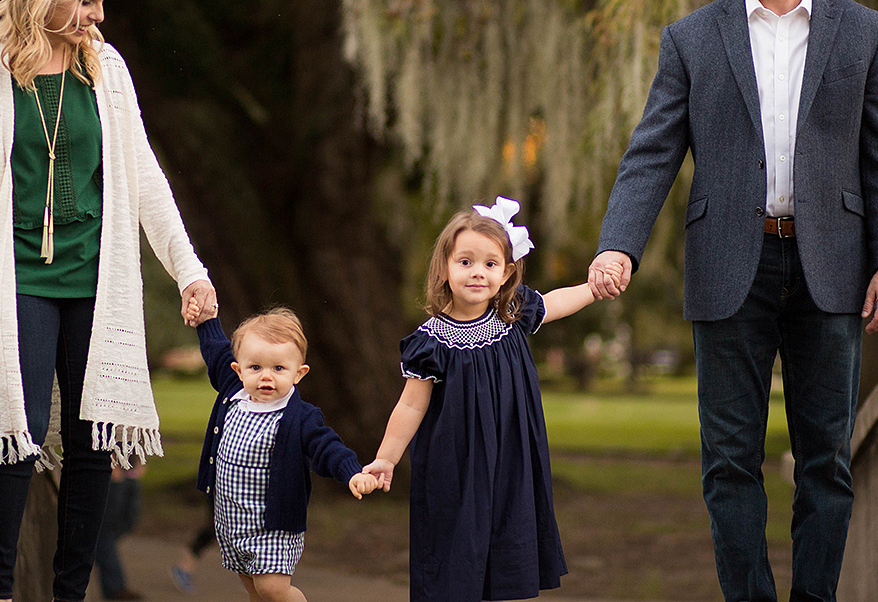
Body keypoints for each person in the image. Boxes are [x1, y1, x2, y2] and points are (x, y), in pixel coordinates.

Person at [587, 0, 878, 601]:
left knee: (826, 459)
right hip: (729, 264)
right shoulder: (692, 38)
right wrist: (619, 245)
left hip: (832, 264)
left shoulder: (865, 34)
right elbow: (652, 152)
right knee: (729, 462)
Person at [0, 0, 218, 602]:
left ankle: (70, 593)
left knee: (95, 443)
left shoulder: (106, 68)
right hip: (19, 285)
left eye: (101, 4)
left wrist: (191, 270)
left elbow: (145, 177)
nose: (97, 17)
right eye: (88, 1)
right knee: (19, 432)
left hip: (97, 279)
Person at [364, 197, 619, 602]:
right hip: (456, 464)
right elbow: (411, 404)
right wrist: (386, 457)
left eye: (489, 264)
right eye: (465, 262)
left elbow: (554, 303)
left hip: (510, 457)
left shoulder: (512, 314)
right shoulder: (430, 341)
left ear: (506, 273)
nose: (477, 273)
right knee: (456, 553)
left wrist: (592, 288)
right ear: (444, 269)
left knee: (505, 546)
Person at [187, 302, 381, 602]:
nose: (266, 376)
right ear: (237, 370)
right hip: (232, 520)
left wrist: (352, 472)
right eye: (255, 367)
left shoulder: (300, 417)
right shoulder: (232, 391)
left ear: (298, 373)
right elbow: (215, 348)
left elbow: (327, 446)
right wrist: (206, 320)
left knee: (272, 589)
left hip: (273, 524)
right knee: (253, 587)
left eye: (278, 368)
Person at [94, 463, 144, 600]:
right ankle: (115, 588)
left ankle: (115, 586)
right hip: (114, 475)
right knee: (106, 532)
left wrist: (140, 463)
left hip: (130, 474)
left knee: (127, 522)